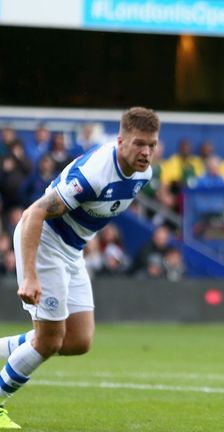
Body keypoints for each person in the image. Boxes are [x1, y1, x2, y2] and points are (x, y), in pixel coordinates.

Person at [0, 107, 160, 429]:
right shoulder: (94, 173)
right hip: (44, 240)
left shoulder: (145, 175)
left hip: (72, 250)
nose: (145, 152)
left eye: (152, 145)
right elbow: (33, 214)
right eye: (139, 143)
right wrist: (30, 274)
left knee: (77, 341)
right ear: (121, 140)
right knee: (48, 341)